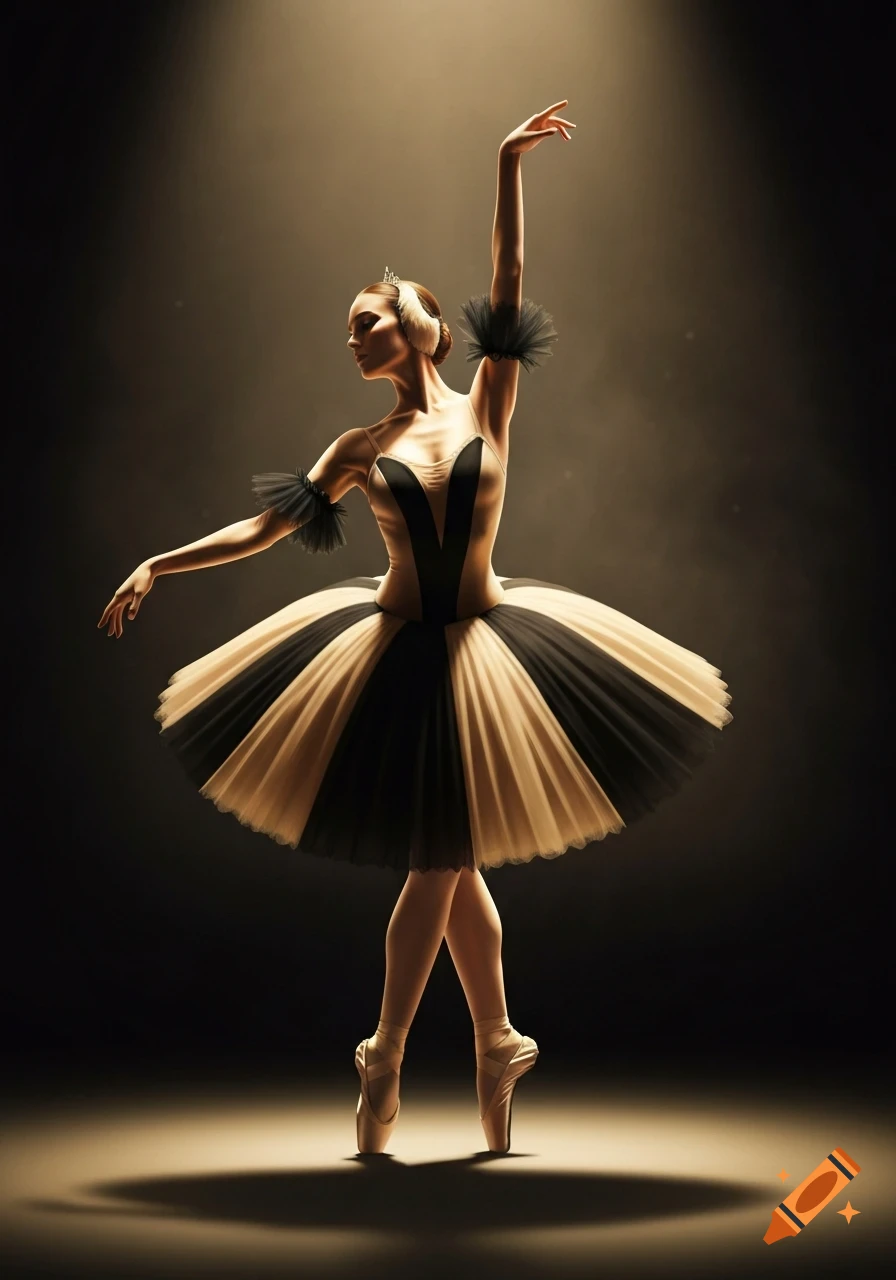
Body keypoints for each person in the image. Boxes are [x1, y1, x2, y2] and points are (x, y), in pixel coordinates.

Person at [98, 101, 732, 1156]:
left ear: (424, 326)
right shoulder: (355, 445)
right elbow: (268, 526)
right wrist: (160, 560)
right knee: (447, 852)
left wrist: (503, 166)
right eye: (348, 329)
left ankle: (434, 1045)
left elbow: (510, 284)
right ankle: (448, 1043)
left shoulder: (486, 400)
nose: (354, 337)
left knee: (449, 852)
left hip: (484, 644)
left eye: (370, 319)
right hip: (396, 654)